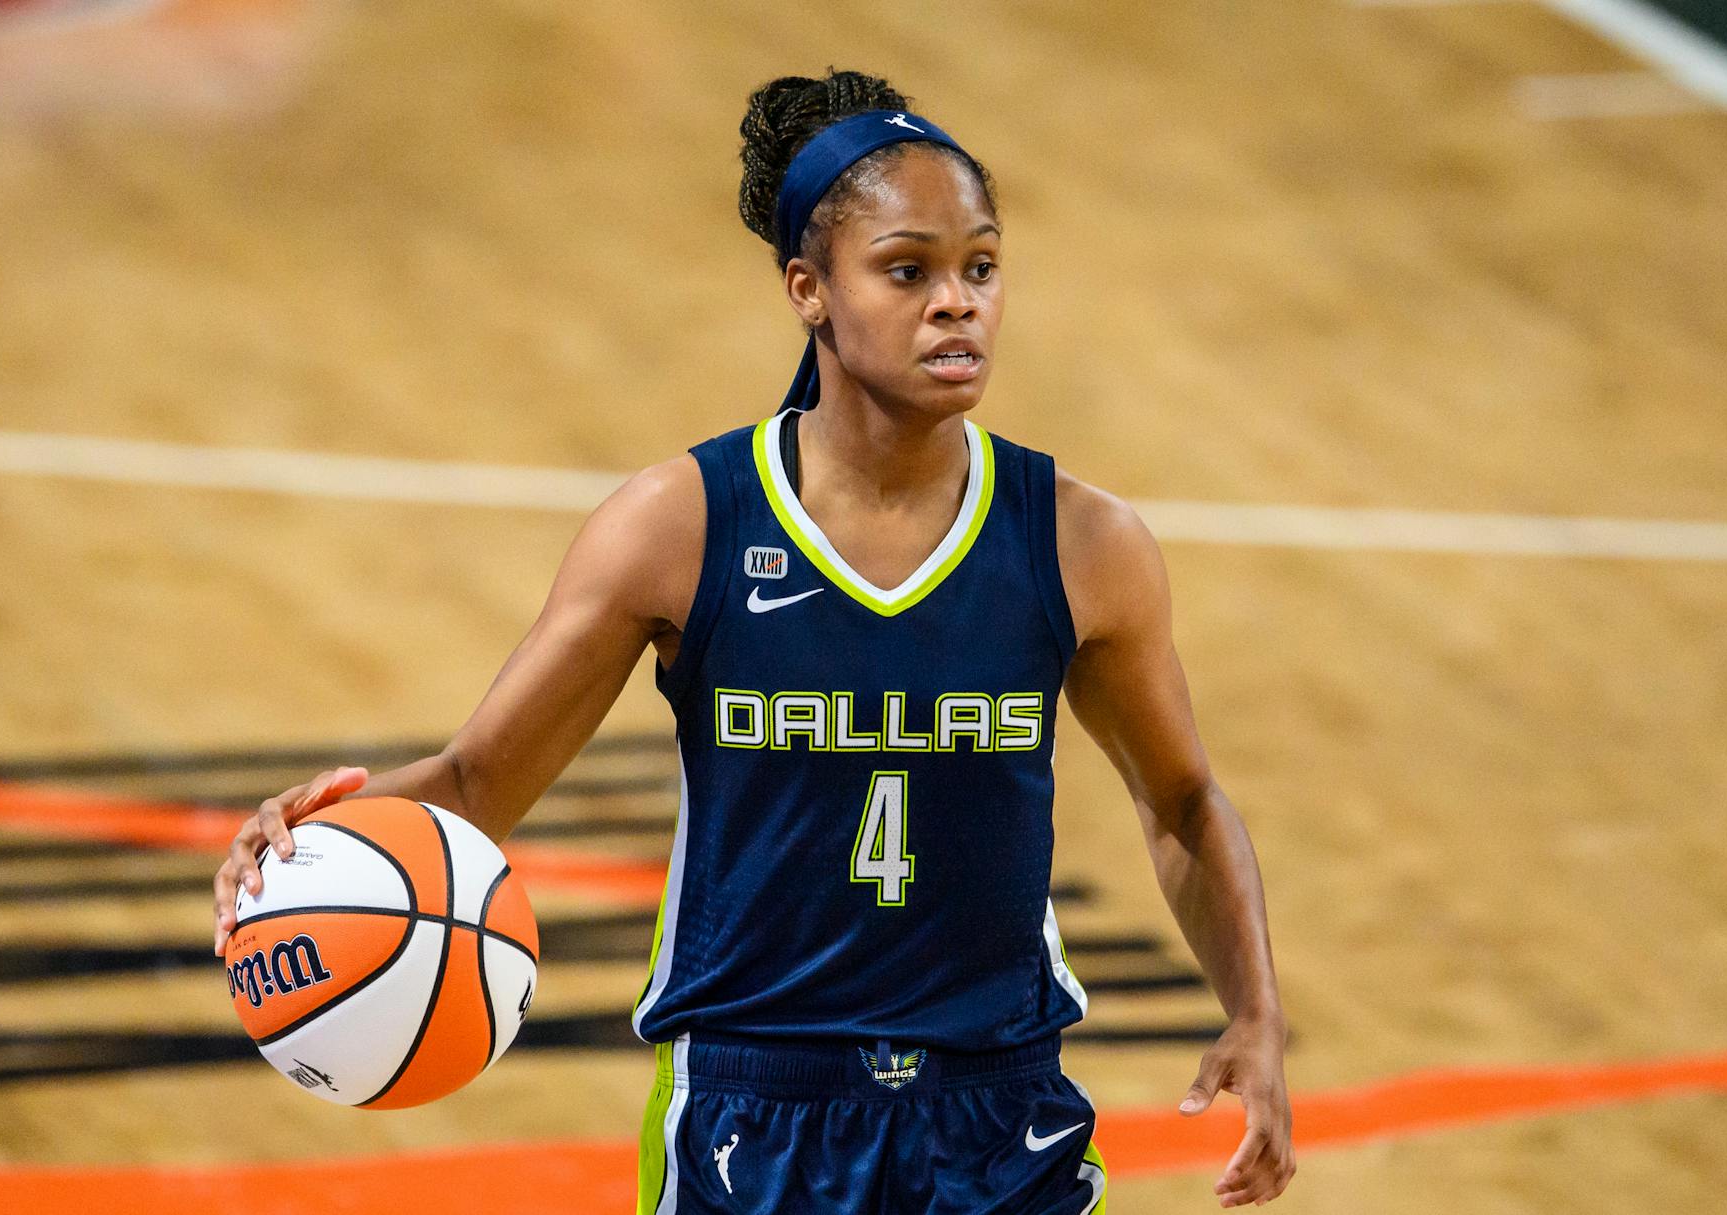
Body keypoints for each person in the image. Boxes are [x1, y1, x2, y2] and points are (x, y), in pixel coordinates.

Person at [211, 67, 1295, 1212]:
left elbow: (1182, 801)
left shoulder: (1082, 543)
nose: (958, 303)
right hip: (750, 1120)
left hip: (1000, 1114)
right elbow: (480, 783)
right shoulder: (681, 527)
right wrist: (308, 839)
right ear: (808, 289)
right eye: (908, 271)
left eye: (981, 267)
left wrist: (1257, 1013)